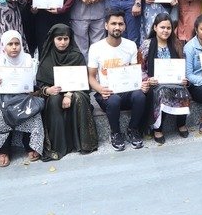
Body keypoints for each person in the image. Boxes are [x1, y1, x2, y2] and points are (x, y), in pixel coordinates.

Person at [88, 10, 149, 151]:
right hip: (107, 93)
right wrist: (100, 89)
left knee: (140, 95)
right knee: (114, 100)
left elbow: (134, 73)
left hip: (126, 91)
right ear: (106, 26)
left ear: (125, 26)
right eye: (113, 23)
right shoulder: (96, 48)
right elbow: (91, 77)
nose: (117, 27)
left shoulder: (130, 45)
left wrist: (141, 84)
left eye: (120, 24)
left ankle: (133, 129)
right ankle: (115, 133)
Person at [36, 23, 98, 160]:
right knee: (54, 100)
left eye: (66, 39)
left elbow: (83, 82)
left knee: (79, 98)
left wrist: (69, 94)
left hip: (76, 91)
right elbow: (40, 85)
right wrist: (48, 90)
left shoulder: (77, 56)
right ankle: (58, 146)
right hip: (54, 93)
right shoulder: (47, 57)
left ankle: (84, 144)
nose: (63, 42)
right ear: (53, 39)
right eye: (59, 39)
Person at [0, 31, 44, 166]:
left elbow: (36, 84)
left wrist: (33, 89)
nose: (14, 47)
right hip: (4, 98)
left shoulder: (29, 60)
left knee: (32, 113)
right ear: (4, 46)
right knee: (0, 115)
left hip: (25, 97)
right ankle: (4, 150)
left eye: (17, 43)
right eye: (10, 44)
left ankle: (30, 145)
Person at [140, 13, 191, 144]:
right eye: (162, 27)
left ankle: (181, 124)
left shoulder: (176, 44)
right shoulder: (147, 45)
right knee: (162, 92)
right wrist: (147, 79)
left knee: (183, 91)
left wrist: (183, 78)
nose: (165, 31)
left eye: (168, 28)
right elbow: (140, 68)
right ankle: (158, 129)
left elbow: (182, 65)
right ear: (155, 27)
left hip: (174, 82)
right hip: (155, 84)